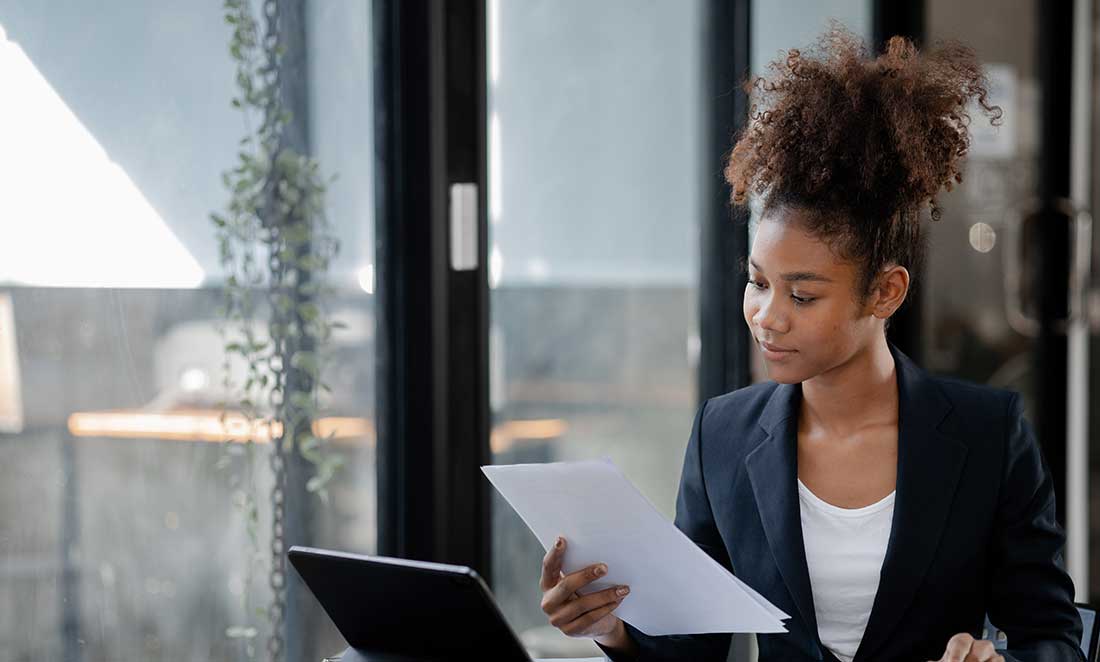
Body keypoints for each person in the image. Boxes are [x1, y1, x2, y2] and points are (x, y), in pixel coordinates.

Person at [536, 26, 1085, 662]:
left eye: (802, 296)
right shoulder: (724, 434)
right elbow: (689, 648)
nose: (767, 317)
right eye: (757, 283)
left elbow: (1054, 638)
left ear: (884, 293)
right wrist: (608, 628)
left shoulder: (989, 434)